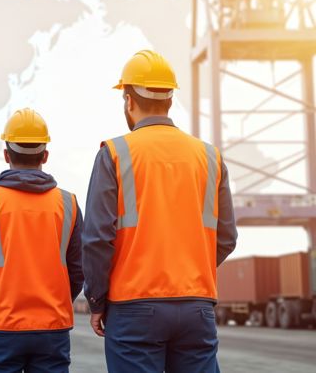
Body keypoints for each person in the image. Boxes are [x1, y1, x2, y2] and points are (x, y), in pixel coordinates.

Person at [82, 50, 238, 372]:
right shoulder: (209, 157)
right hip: (197, 306)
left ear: (128, 100)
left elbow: (97, 238)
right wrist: (190, 273)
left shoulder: (115, 153)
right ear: (170, 99)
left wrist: (96, 300)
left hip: (133, 307)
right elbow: (227, 237)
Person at [0, 108, 84, 373]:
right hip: (52, 328)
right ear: (45, 155)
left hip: (1, 326)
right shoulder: (68, 204)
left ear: (6, 154)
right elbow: (78, 270)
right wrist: (57, 304)